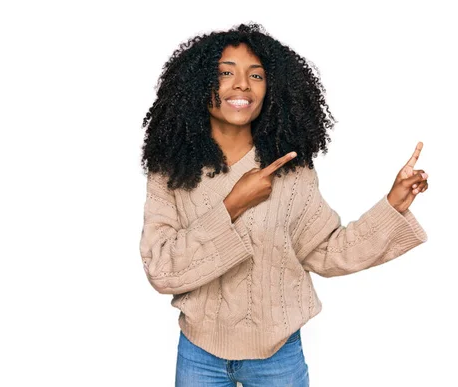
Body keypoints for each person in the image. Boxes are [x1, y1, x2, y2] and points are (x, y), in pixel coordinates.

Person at [139, 22, 429, 387]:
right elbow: (161, 269)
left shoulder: (292, 170)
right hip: (199, 353)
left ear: (271, 88)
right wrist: (232, 205)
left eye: (256, 75)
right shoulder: (171, 171)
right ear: (197, 86)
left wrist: (392, 206)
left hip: (279, 355)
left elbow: (325, 251)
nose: (242, 83)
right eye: (225, 73)